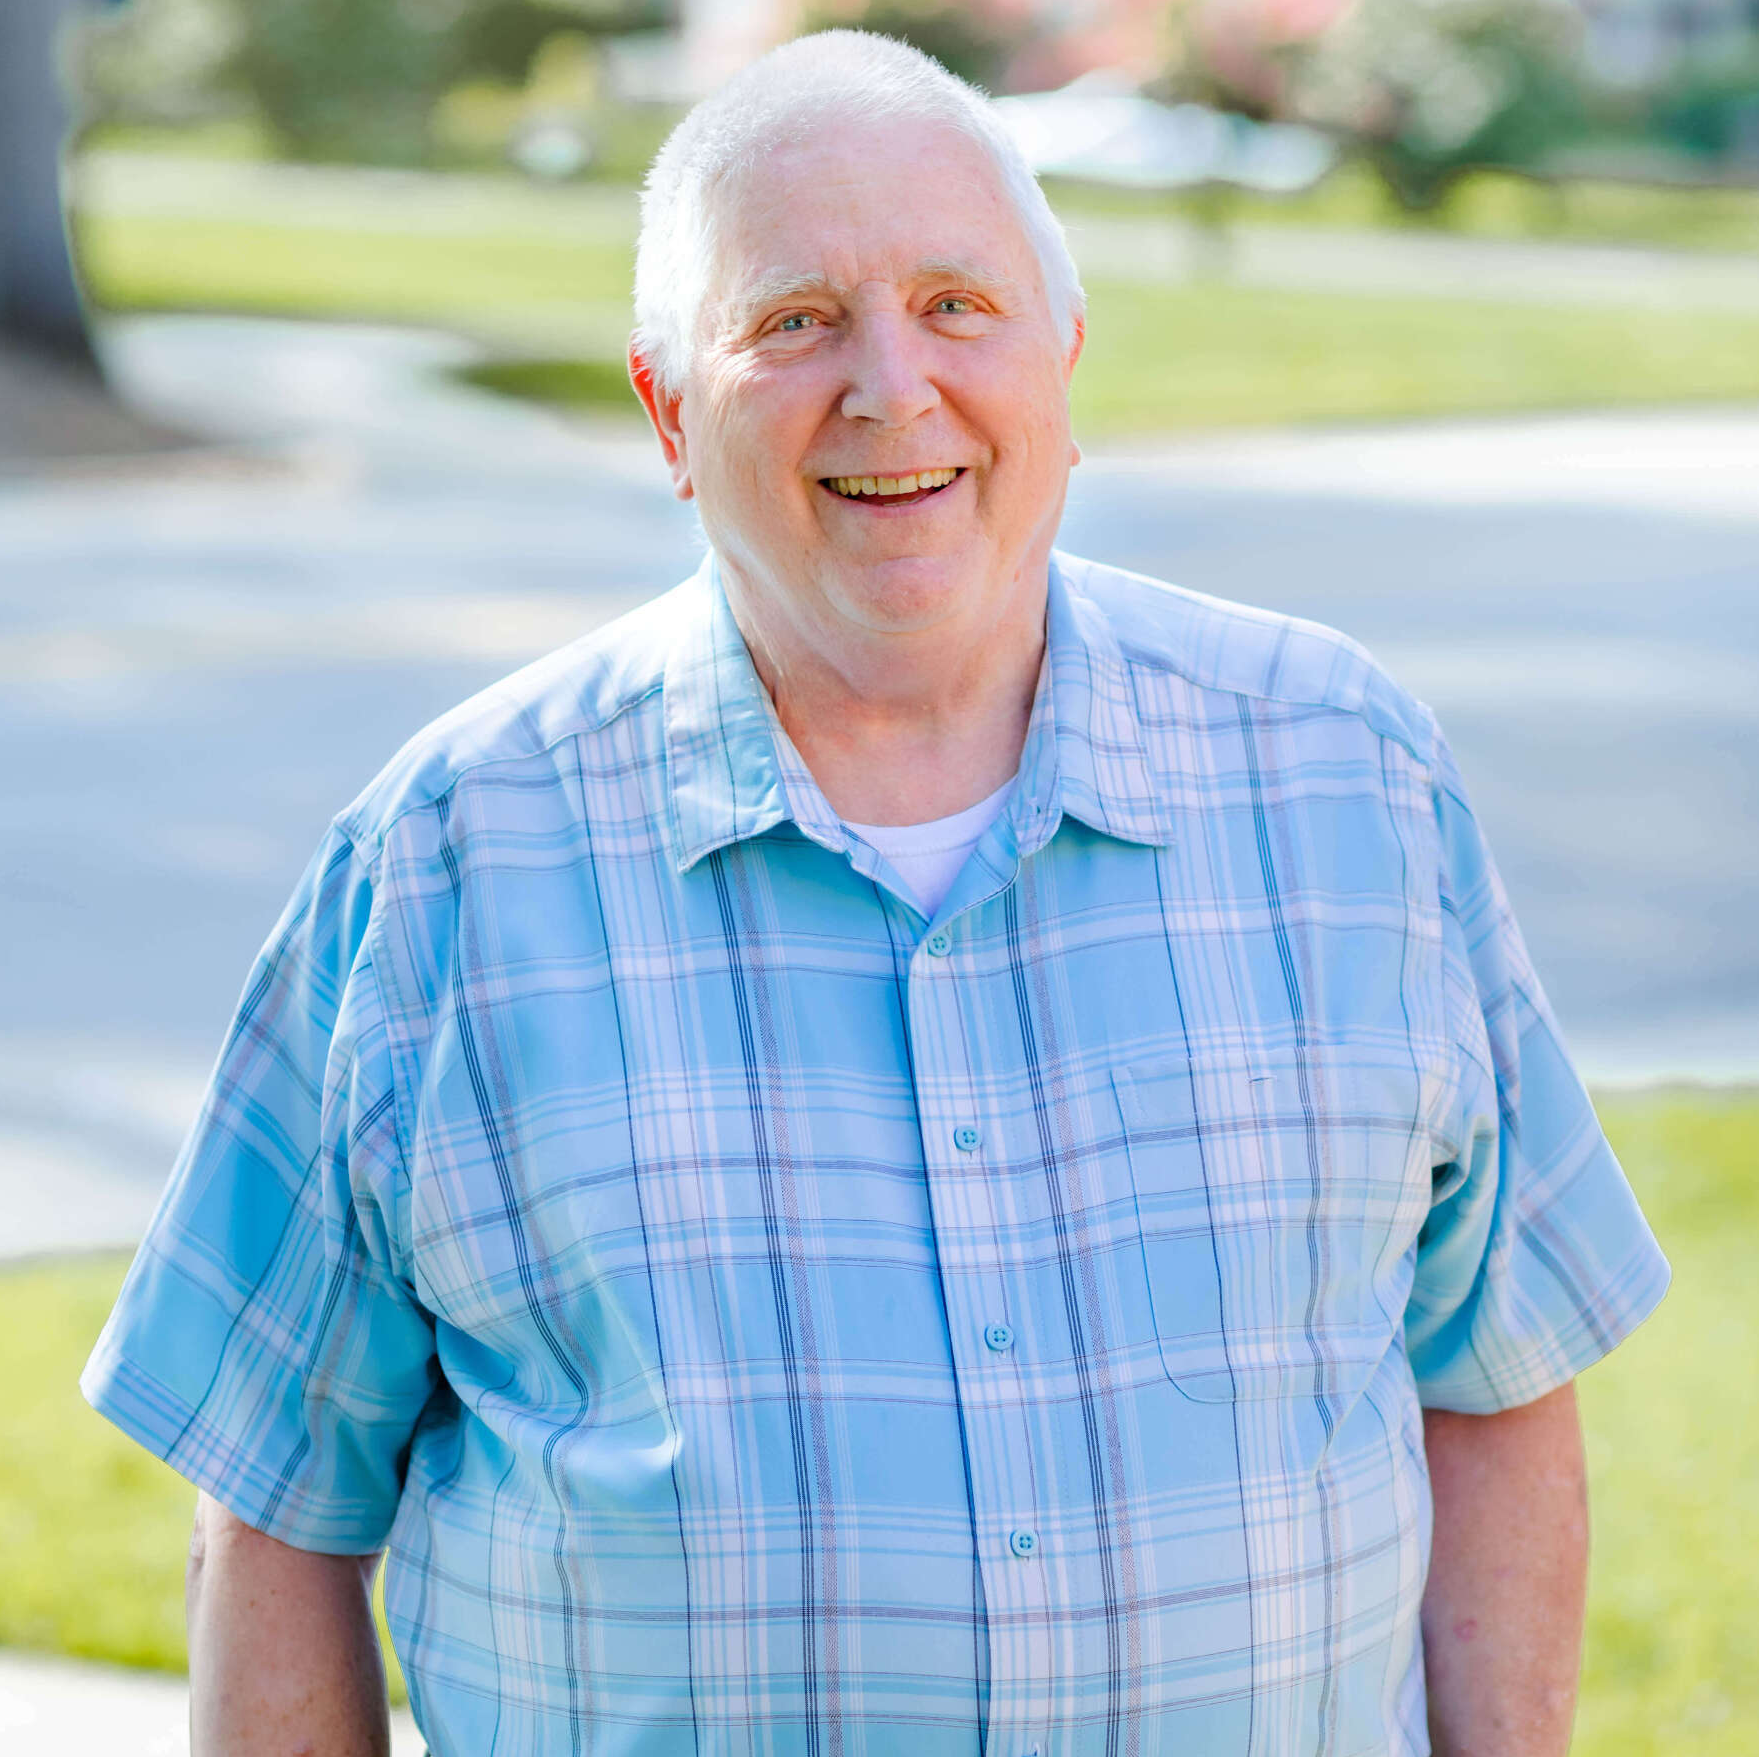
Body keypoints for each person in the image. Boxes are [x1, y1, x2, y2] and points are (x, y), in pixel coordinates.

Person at [84, 30, 1669, 1757]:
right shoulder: (444, 871)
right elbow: (273, 1508)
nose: (889, 387)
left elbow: (1496, 1381)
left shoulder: (1347, 779)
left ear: (1063, 359)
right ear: (666, 413)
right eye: (791, 324)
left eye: (955, 306)